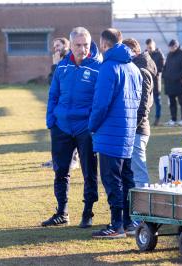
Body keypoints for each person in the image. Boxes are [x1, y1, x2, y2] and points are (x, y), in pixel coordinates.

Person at [42, 27, 101, 228]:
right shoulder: (62, 67)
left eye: (85, 45)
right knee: (60, 171)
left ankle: (88, 213)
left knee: (89, 173)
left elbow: (99, 101)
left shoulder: (97, 68)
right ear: (71, 45)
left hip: (85, 129)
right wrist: (51, 121)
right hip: (62, 128)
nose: (82, 49)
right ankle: (62, 212)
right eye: (78, 45)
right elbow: (53, 95)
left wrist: (92, 125)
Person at [89, 28, 142, 239]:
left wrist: (92, 125)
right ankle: (130, 222)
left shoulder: (108, 68)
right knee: (126, 178)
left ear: (103, 44)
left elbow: (101, 104)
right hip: (127, 132)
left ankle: (116, 225)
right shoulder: (133, 68)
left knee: (112, 180)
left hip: (110, 133)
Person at [43, 37, 80, 170]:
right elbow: (52, 82)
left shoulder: (71, 60)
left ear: (67, 46)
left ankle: (73, 160)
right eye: (54, 47)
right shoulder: (59, 61)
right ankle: (56, 160)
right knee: (58, 133)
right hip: (59, 104)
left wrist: (55, 66)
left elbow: (62, 81)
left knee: (71, 132)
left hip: (71, 105)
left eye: (58, 45)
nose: (56, 49)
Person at [122, 38, 154, 189]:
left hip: (137, 130)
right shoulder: (136, 68)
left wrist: (131, 127)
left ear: (136, 52)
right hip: (135, 128)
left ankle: (143, 209)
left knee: (139, 174)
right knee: (131, 172)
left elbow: (142, 106)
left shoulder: (141, 70)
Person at [162, 39, 182, 127]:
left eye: (172, 47)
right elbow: (166, 67)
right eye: (169, 47)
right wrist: (164, 75)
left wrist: (177, 77)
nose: (170, 49)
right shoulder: (169, 55)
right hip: (169, 84)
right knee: (172, 102)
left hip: (179, 84)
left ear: (176, 46)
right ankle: (173, 119)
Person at [146, 38, 165, 126]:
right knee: (146, 101)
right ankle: (145, 119)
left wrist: (152, 72)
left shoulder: (159, 55)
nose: (149, 49)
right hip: (147, 82)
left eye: (150, 47)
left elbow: (161, 68)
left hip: (156, 82)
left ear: (154, 46)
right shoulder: (145, 55)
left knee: (157, 101)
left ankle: (157, 118)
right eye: (148, 47)